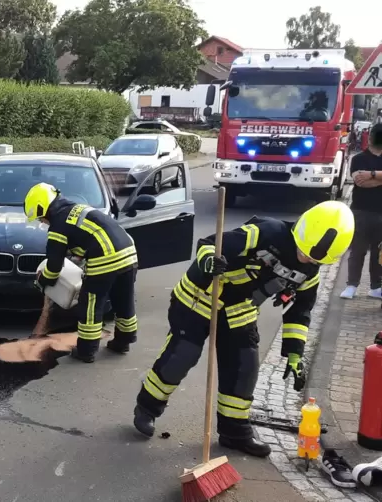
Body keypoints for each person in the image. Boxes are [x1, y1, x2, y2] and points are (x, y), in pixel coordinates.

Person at [132, 201, 354, 457]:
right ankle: (147, 408)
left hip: (240, 309)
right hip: (200, 296)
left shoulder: (310, 273)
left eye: (314, 259)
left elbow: (299, 311)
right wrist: (209, 263)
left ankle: (234, 432)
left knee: (244, 367)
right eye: (304, 252)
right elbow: (208, 244)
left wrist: (295, 353)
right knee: (183, 355)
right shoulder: (266, 232)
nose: (305, 259)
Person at [24, 182, 138, 363]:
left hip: (105, 259)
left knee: (90, 305)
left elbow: (54, 267)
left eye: (40, 218)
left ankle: (86, 351)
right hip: (129, 253)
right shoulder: (77, 209)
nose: (42, 223)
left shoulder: (58, 225)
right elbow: (87, 237)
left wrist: (43, 280)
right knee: (123, 300)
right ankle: (124, 341)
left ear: (43, 209)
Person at [340, 123, 382, 299]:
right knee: (358, 250)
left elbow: (366, 180)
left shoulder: (362, 161)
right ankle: (352, 285)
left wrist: (371, 175)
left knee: (379, 253)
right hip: (360, 210)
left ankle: (376, 287)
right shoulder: (358, 158)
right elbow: (359, 182)